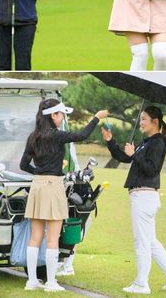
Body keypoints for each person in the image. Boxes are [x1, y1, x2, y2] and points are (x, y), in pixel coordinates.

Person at [20, 100, 108, 291]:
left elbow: (23, 165)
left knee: (35, 237)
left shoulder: (33, 137)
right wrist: (96, 118)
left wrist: (40, 173)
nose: (62, 118)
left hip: (37, 186)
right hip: (53, 186)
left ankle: (32, 281)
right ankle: (51, 282)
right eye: (61, 114)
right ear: (53, 115)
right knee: (53, 238)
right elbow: (82, 135)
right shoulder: (56, 135)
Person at [101, 106, 166, 294]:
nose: (140, 122)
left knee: (141, 241)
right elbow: (125, 157)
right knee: (151, 242)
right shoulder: (147, 142)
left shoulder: (157, 143)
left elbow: (151, 169)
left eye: (143, 119)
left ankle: (141, 284)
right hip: (143, 197)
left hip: (144, 196)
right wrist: (110, 141)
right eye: (140, 119)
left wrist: (135, 154)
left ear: (155, 122)